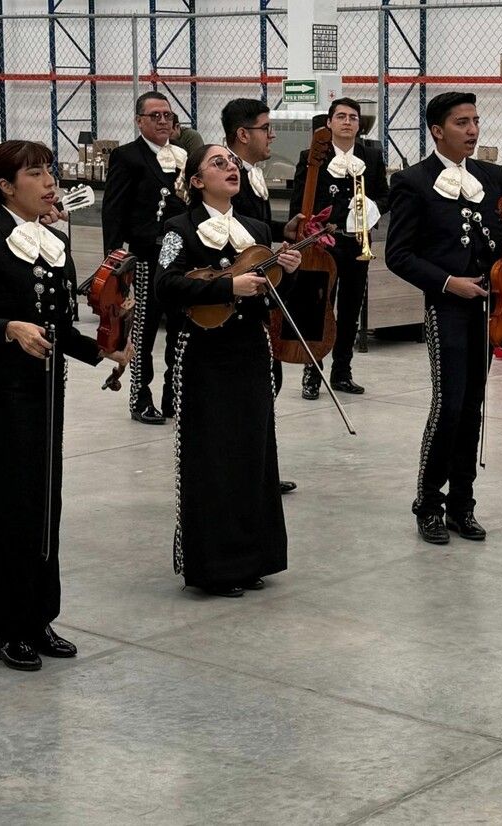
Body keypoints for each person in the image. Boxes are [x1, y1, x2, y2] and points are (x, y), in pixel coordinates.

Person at [0, 140, 130, 671]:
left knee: (45, 502)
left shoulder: (53, 240)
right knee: (5, 504)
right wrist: (8, 329)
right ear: (5, 186)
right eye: (35, 172)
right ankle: (4, 623)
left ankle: (39, 615)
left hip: (48, 389)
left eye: (49, 170)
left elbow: (61, 327)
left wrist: (104, 352)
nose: (49, 181)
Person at [155, 145, 300, 597]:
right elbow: (165, 285)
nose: (230, 167)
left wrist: (286, 271)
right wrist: (226, 284)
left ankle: (251, 557)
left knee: (253, 455)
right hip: (203, 353)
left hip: (250, 352)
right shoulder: (179, 229)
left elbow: (268, 293)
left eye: (232, 163)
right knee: (212, 457)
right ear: (196, 181)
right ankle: (214, 565)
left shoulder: (255, 228)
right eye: (218, 163)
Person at [385, 91, 502, 545]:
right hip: (447, 305)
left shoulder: (493, 176)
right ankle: (428, 502)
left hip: (487, 305)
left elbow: (501, 236)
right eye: (462, 122)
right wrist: (447, 282)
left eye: (476, 121)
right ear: (437, 130)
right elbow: (399, 255)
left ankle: (463, 503)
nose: (472, 130)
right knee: (449, 403)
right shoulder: (413, 181)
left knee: (474, 404)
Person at [221, 97, 303, 494]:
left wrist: (282, 232)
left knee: (267, 383)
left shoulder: (251, 173)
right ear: (242, 134)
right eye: (265, 128)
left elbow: (252, 228)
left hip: (260, 289)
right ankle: (245, 471)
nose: (272, 135)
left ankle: (260, 468)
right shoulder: (228, 175)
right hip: (239, 297)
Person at [289, 97, 390, 399]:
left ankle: (342, 371)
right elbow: (299, 203)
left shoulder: (371, 157)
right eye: (341, 116)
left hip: (357, 245)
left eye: (353, 117)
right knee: (318, 309)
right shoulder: (312, 155)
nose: (347, 122)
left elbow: (386, 197)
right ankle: (312, 372)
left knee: (350, 310)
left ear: (360, 124)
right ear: (329, 122)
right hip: (321, 245)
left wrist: (370, 207)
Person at [102, 91, 188, 425]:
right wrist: (113, 262)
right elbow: (113, 210)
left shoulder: (182, 156)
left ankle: (174, 396)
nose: (163, 121)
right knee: (143, 332)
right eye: (155, 116)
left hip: (178, 258)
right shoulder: (128, 156)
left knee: (180, 329)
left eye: (168, 115)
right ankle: (140, 398)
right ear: (139, 120)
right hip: (144, 258)